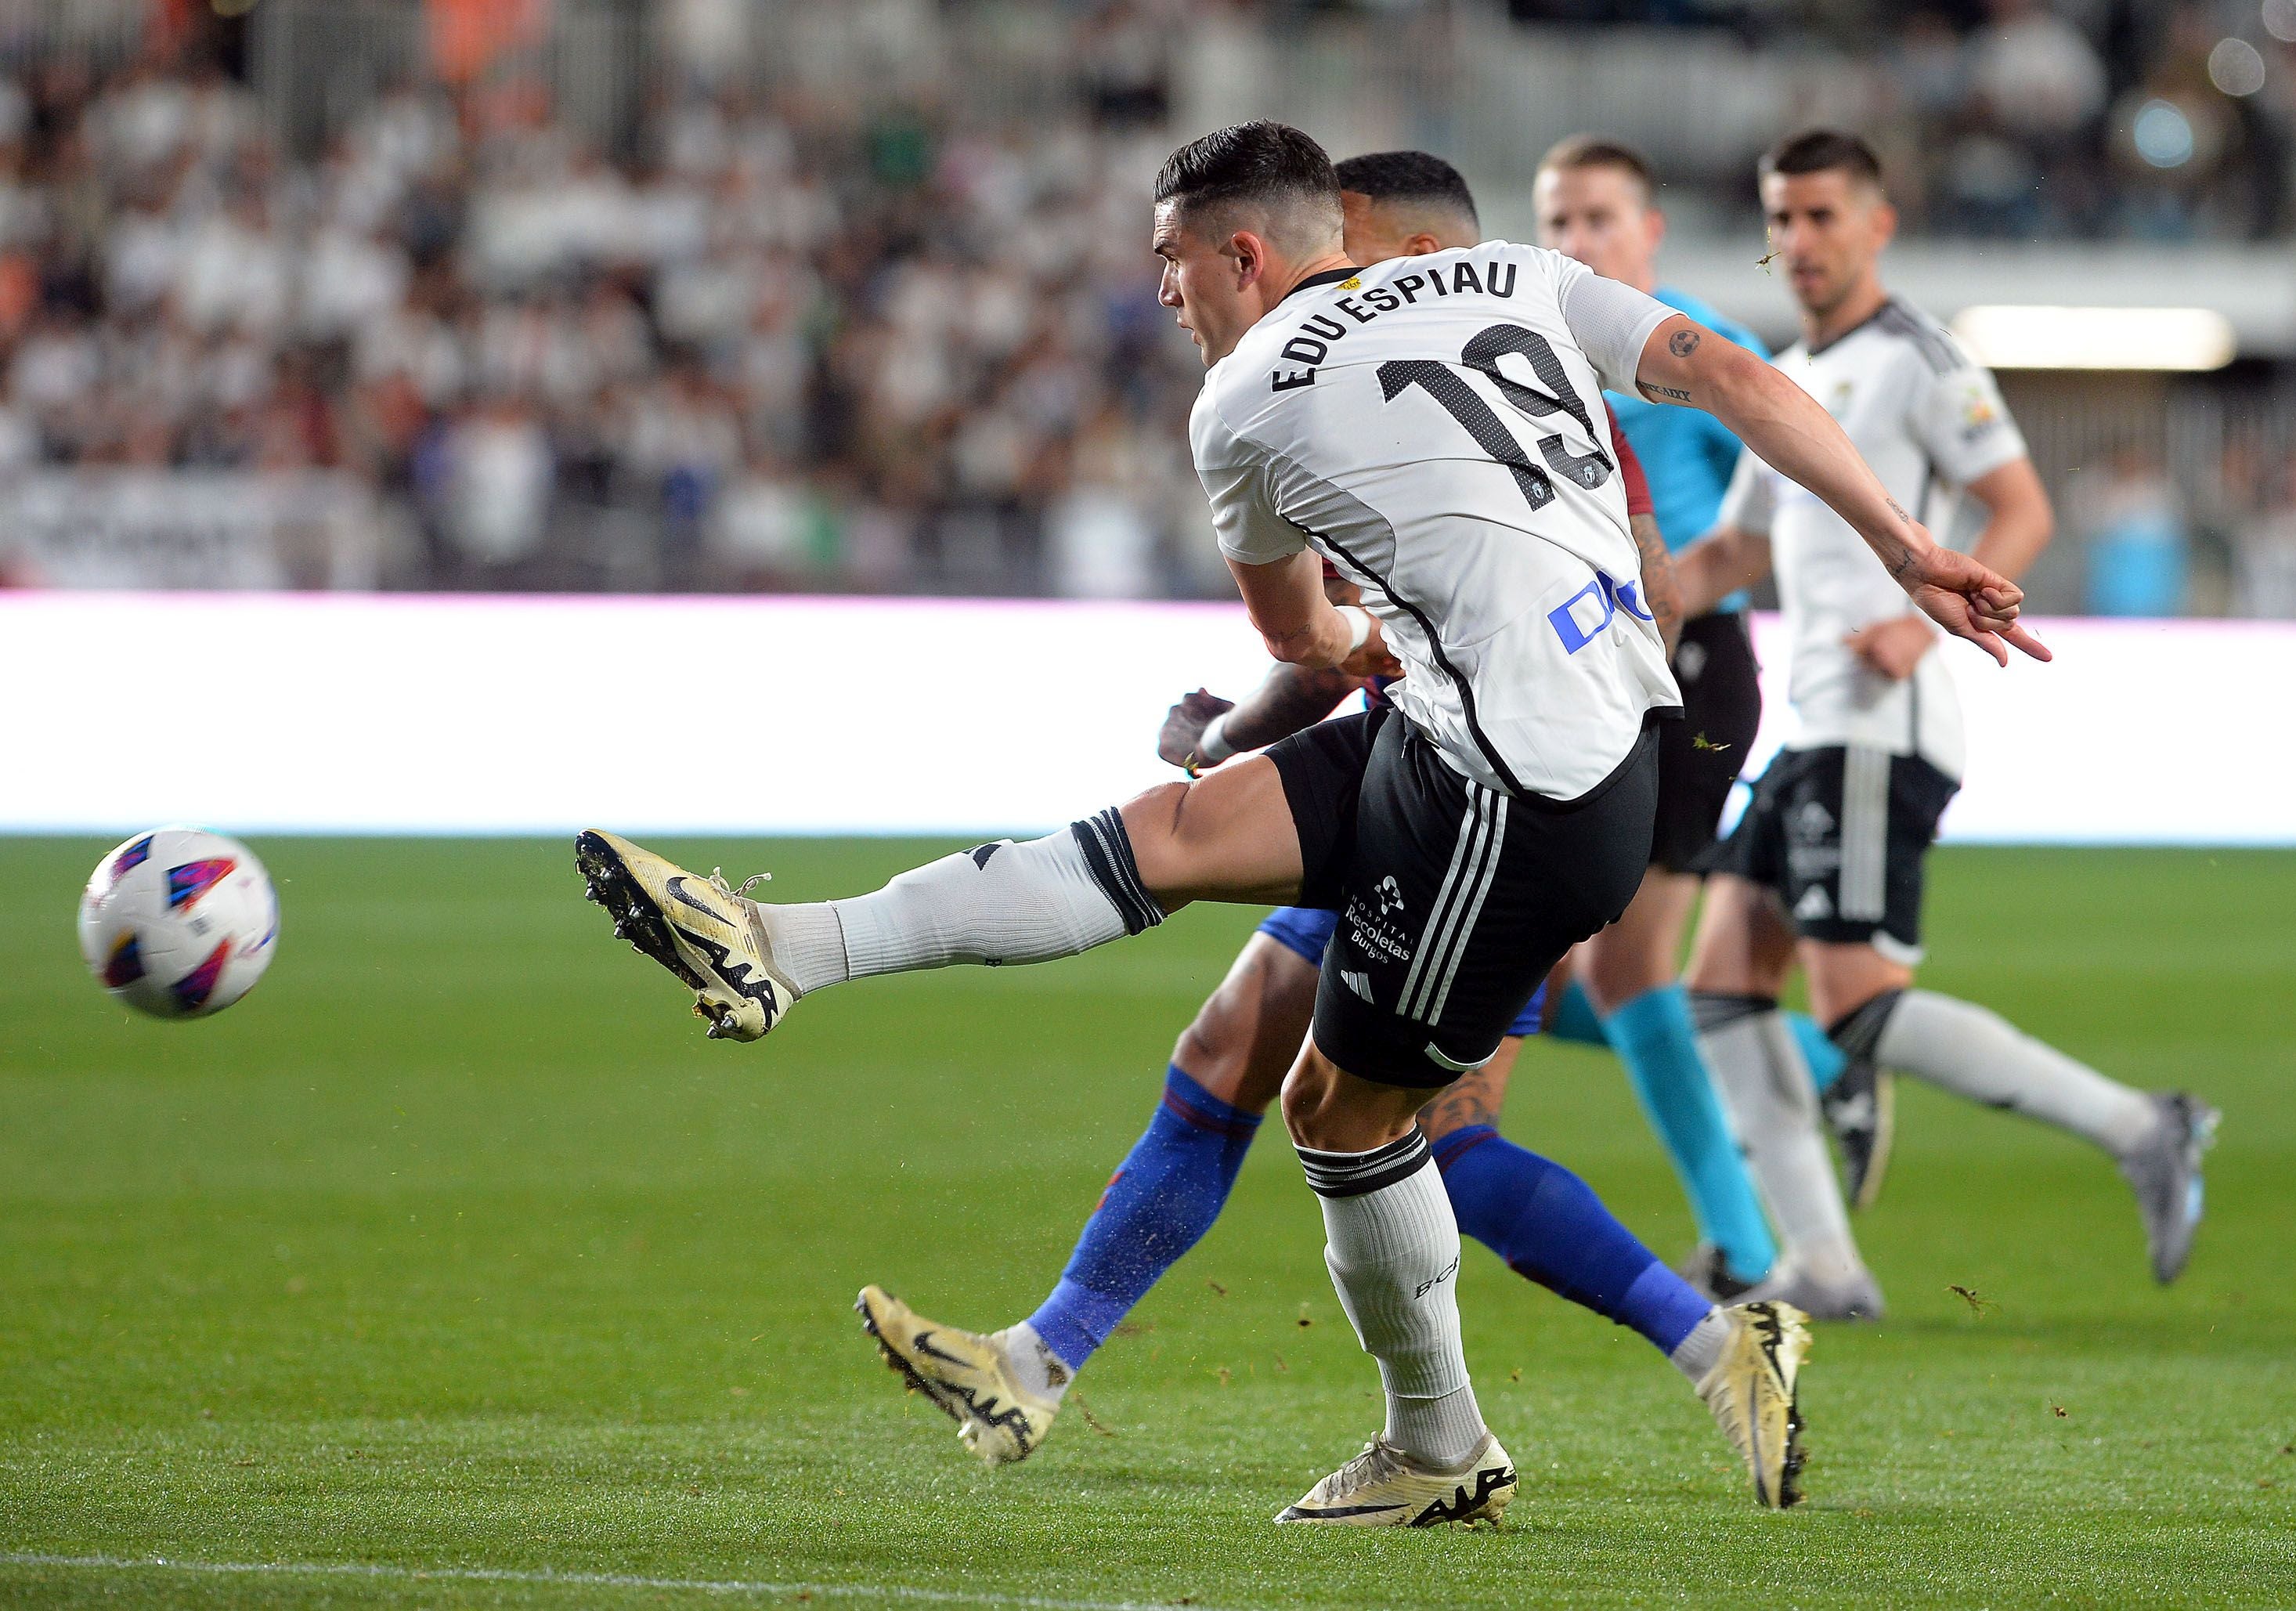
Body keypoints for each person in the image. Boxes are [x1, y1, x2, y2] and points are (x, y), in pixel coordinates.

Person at [577, 120, 2042, 1526]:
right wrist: (1907, 543)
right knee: (1176, 833)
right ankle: (777, 944)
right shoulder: (1515, 275)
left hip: (1520, 795)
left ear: (1242, 260)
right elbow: (1718, 367)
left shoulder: (1244, 399)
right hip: (1495, 732)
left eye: (1170, 258)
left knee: (1344, 1117)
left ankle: (1450, 1437)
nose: (1157, 290)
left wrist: (1312, 662)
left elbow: (1306, 632)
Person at [855, 151, 1800, 1509]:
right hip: (1413, 777)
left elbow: (1538, 614)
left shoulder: (1463, 377)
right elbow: (1347, 646)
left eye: (1348, 249)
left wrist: (1253, 731)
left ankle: (1711, 1341)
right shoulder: (1367, 382)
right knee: (1237, 1052)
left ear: (1408, 248)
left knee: (1426, 1137)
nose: (1328, 283)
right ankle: (1038, 1360)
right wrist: (1255, 733)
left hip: (1510, 794)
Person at [1673, 128, 2216, 1322]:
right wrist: (1615, 594)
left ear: (1878, 225)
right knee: (1717, 985)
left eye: (1821, 215)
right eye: (1782, 217)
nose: (1797, 240)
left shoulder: (1920, 357)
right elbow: (1732, 549)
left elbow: (2017, 506)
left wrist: (1919, 629)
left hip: (1880, 717)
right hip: (1813, 722)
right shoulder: (1784, 374)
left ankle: (2142, 1125)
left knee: (1854, 1002)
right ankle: (1821, 1259)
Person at [1533, 135, 1835, 1297]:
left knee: (1622, 968)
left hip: (1690, 665)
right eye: (1557, 223)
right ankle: (1818, 1061)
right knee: (1575, 975)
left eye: (1599, 219)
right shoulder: (1531, 352)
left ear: (1649, 231)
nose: (1577, 244)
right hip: (1586, 674)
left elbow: (1799, 476)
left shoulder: (1702, 348)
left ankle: (1748, 1246)